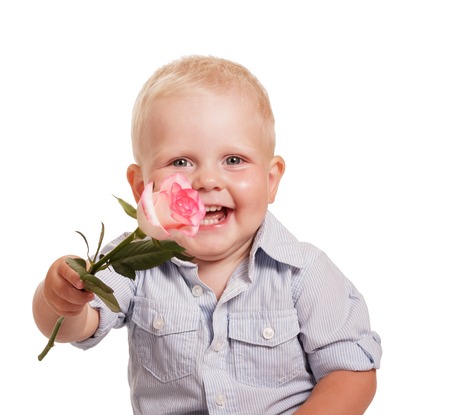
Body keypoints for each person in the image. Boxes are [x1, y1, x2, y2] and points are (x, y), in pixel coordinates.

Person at [32, 55, 382, 414]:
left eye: (233, 160)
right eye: (180, 162)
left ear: (270, 180)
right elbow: (76, 325)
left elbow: (351, 370)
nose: (207, 181)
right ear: (142, 188)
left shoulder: (304, 273)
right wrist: (60, 300)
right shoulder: (132, 263)